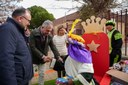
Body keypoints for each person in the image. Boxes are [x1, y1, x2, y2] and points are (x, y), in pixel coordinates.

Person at [0, 7, 33, 85]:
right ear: (20, 18)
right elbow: (5, 60)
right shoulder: (8, 29)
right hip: (17, 80)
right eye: (28, 21)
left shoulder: (17, 30)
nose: (29, 23)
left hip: (23, 78)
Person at [29, 20, 62, 85]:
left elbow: (53, 46)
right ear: (42, 27)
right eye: (47, 30)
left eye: (50, 30)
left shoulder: (49, 35)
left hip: (43, 59)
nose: (49, 32)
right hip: (33, 59)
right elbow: (32, 47)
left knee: (42, 74)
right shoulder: (33, 33)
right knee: (30, 75)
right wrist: (42, 56)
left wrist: (58, 56)